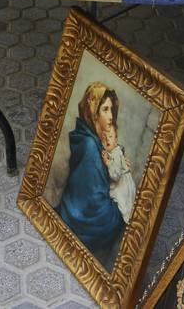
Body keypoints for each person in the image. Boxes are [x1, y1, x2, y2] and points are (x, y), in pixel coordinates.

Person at [54, 82, 127, 264]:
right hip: (84, 219)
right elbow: (93, 202)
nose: (110, 117)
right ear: (93, 110)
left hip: (75, 208)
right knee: (119, 218)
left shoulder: (90, 138)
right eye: (105, 110)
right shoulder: (89, 146)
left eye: (111, 110)